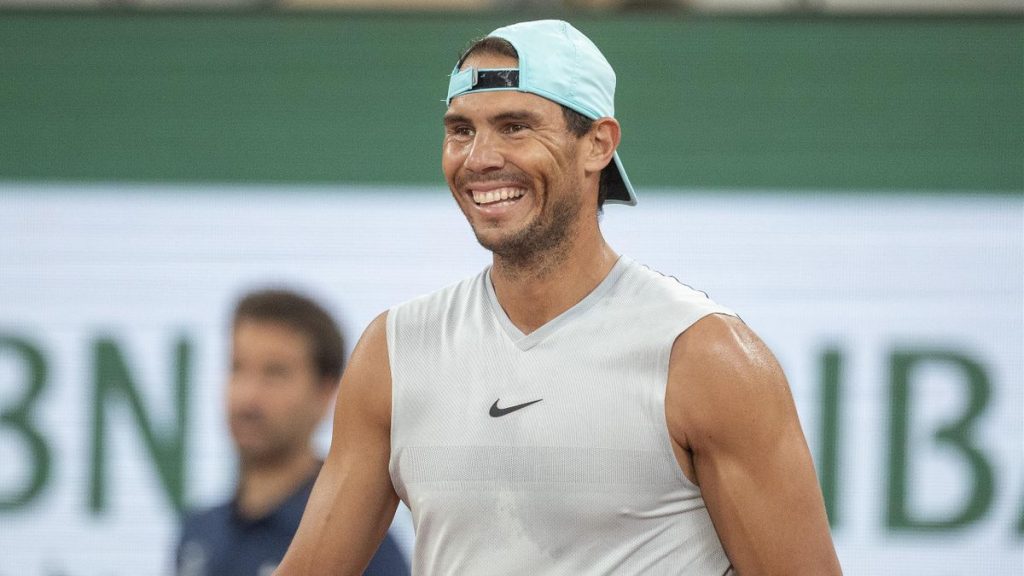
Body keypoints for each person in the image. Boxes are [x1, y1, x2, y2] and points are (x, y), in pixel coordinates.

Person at [275, 19, 842, 575]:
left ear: (598, 143)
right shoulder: (396, 351)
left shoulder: (705, 358)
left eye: (515, 126)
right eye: (461, 130)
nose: (479, 159)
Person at [175, 289, 409, 576]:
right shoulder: (199, 531)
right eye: (237, 368)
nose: (248, 397)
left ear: (327, 391)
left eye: (274, 373)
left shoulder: (362, 543)